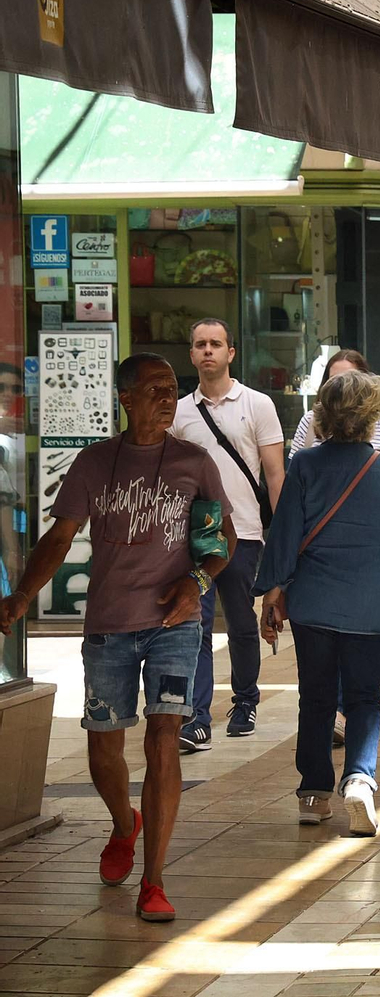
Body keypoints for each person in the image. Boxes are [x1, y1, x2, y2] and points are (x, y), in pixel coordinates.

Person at [0, 354, 233, 922]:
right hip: (108, 626)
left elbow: (219, 539)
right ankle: (124, 822)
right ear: (125, 399)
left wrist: (195, 583)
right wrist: (23, 596)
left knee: (163, 738)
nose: (166, 398)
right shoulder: (94, 462)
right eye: (154, 389)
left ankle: (154, 879)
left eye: (172, 389)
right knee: (104, 747)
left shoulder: (194, 462)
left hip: (175, 626)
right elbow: (59, 538)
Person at [254, 371, 380, 837]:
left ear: (323, 413)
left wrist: (273, 593)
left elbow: (284, 534)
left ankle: (313, 792)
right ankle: (361, 781)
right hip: (371, 604)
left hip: (313, 604)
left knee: (317, 697)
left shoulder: (305, 466)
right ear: (374, 416)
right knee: (366, 697)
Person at [169, 318, 285, 752]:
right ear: (192, 354)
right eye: (200, 344)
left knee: (240, 622)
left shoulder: (257, 404)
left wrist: (284, 534)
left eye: (216, 344)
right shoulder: (179, 412)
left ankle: (245, 700)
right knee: (193, 624)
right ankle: (197, 716)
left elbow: (275, 475)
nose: (208, 351)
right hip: (192, 538)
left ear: (231, 353)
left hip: (245, 533)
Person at [290, 350, 380, 460]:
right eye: (334, 380)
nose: (341, 387)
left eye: (349, 380)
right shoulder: (310, 421)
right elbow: (295, 472)